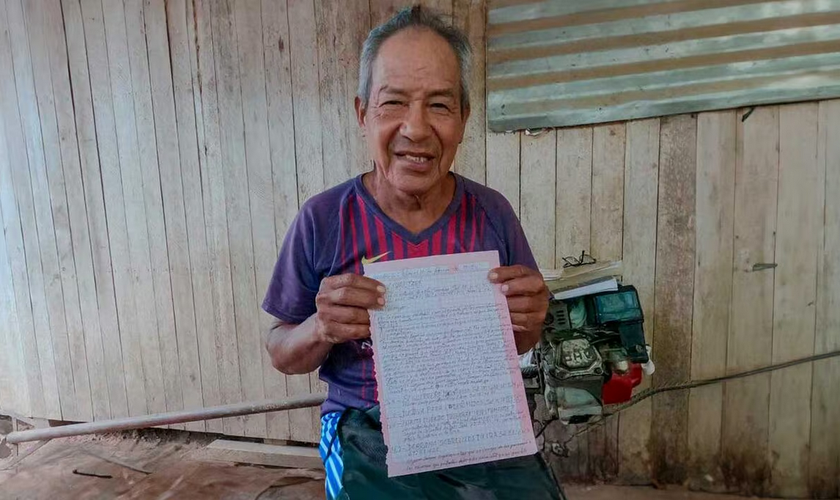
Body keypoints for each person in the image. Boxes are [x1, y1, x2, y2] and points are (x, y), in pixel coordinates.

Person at [263, 6, 561, 499]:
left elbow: (522, 338)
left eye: (440, 106)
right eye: (394, 103)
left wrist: (531, 318)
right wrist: (321, 328)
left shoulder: (491, 213)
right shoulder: (323, 219)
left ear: (464, 118)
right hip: (365, 425)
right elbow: (280, 351)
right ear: (363, 113)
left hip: (476, 421)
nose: (416, 129)